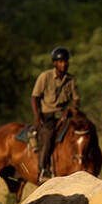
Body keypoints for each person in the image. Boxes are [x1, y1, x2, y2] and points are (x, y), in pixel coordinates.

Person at [31, 46, 80, 181]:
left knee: (82, 129)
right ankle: (43, 170)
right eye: (60, 61)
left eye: (65, 61)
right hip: (48, 115)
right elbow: (34, 97)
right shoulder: (45, 77)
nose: (63, 64)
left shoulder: (71, 80)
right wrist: (37, 117)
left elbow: (76, 98)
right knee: (47, 136)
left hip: (65, 114)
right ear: (54, 63)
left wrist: (75, 108)